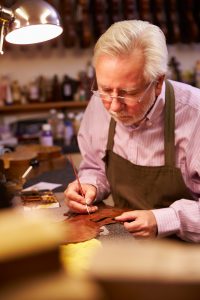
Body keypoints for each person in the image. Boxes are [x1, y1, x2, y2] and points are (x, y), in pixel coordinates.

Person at [65, 20, 200, 242]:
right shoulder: (101, 104)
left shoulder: (195, 115)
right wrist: (89, 185)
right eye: (106, 89)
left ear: (158, 82)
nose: (114, 107)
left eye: (128, 93)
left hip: (187, 256)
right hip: (125, 244)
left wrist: (165, 220)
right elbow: (95, 166)